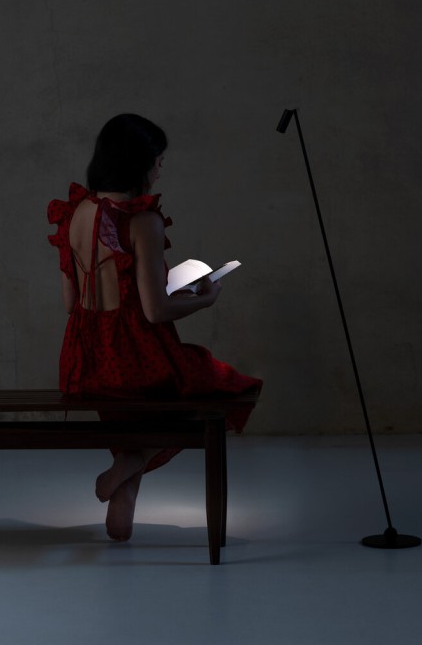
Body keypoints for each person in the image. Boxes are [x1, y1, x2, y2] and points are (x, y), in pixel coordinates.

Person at [47, 113, 262, 541]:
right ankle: (129, 462)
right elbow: (154, 312)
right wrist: (204, 298)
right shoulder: (140, 221)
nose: (160, 168)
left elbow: (71, 303)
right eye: (157, 160)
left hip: (85, 359)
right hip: (132, 356)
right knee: (226, 387)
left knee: (137, 419)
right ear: (137, 163)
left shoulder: (75, 213)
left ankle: (123, 503)